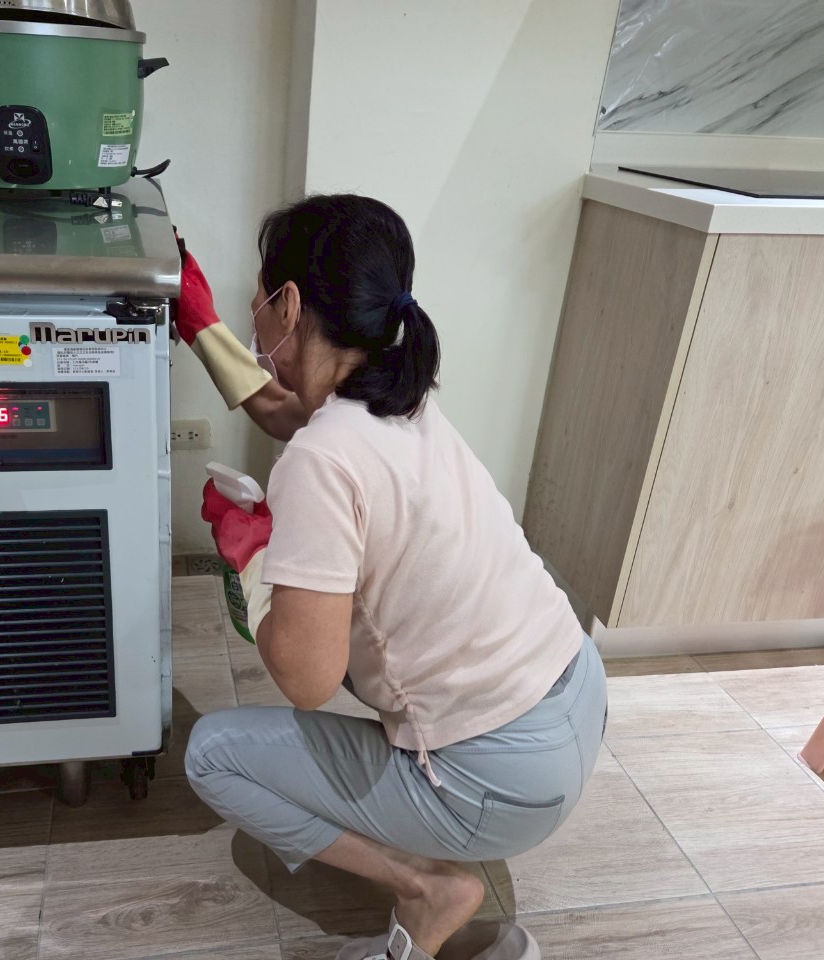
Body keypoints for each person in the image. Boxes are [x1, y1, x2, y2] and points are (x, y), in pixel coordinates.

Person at [175, 195, 607, 960]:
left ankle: (425, 887)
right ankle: (446, 829)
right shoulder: (399, 401)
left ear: (289, 304)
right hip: (576, 694)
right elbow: (286, 413)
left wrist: (250, 558)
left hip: (505, 776)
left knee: (213, 754)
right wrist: (200, 325)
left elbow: (307, 680)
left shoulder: (322, 460)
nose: (252, 311)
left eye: (257, 296)